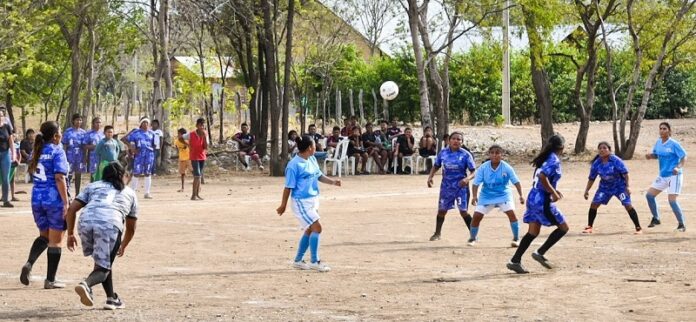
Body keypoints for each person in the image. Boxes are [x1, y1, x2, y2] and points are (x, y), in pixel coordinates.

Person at [66, 161, 137, 310]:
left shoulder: (93, 185)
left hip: (85, 222)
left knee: (104, 262)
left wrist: (70, 234)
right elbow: (131, 227)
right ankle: (86, 284)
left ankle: (111, 298)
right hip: (109, 224)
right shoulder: (129, 192)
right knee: (103, 268)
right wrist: (123, 244)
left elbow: (71, 209)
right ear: (122, 175)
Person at [276, 135, 341, 272]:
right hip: (301, 202)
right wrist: (283, 205)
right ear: (310, 148)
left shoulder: (311, 159)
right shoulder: (294, 165)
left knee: (310, 229)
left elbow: (319, 176)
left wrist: (333, 182)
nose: (316, 147)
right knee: (317, 228)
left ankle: (298, 260)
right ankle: (315, 261)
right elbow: (288, 187)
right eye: (314, 145)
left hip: (313, 200)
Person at [507, 134, 568, 274]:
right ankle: (540, 252)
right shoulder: (554, 160)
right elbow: (542, 177)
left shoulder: (545, 157)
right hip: (542, 200)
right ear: (562, 147)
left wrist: (553, 189)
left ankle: (515, 261)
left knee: (533, 232)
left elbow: (541, 178)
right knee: (563, 228)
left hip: (533, 196)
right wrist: (553, 192)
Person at [20, 121, 70, 288]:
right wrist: (66, 202)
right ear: (55, 136)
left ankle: (29, 264)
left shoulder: (37, 150)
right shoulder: (57, 151)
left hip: (37, 198)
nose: (61, 135)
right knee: (56, 241)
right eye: (60, 132)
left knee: (45, 236)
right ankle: (50, 280)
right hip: (53, 198)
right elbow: (59, 177)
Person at [469, 145, 525, 247]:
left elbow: (516, 181)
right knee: (477, 216)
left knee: (511, 213)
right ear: (489, 154)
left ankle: (516, 238)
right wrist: (474, 196)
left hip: (503, 194)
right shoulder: (483, 167)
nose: (495, 155)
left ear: (502, 155)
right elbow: (476, 183)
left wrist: (521, 195)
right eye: (492, 153)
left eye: (497, 153)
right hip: (487, 195)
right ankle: (472, 238)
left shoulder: (507, 167)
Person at [582, 142, 642, 234]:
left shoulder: (616, 160)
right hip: (604, 187)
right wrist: (586, 190)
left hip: (619, 187)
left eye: (604, 148)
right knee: (594, 204)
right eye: (600, 148)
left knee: (627, 205)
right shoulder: (597, 163)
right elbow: (591, 178)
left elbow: (625, 174)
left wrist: (628, 187)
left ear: (609, 150)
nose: (602, 150)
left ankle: (638, 228)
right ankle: (589, 226)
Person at [426, 132, 475, 241]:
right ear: (449, 140)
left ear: (462, 142)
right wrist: (430, 177)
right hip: (446, 187)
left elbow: (473, 172)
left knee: (463, 211)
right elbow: (436, 165)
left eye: (459, 139)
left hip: (461, 187)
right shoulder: (443, 153)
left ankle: (473, 234)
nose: (456, 141)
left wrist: (467, 179)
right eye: (453, 138)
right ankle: (437, 233)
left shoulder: (466, 155)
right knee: (442, 210)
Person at [645, 122, 688, 231]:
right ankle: (656, 218)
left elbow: (684, 157)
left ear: (669, 131)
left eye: (664, 128)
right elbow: (657, 155)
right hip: (663, 175)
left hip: (674, 175)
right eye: (660, 128)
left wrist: (678, 167)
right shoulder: (658, 143)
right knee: (649, 195)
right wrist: (651, 156)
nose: (662, 130)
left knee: (672, 200)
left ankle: (681, 224)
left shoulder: (674, 144)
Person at [125, 117, 155, 199]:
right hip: (139, 155)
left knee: (148, 173)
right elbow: (126, 140)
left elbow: (154, 144)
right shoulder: (136, 133)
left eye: (147, 123)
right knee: (136, 173)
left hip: (149, 155)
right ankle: (132, 193)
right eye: (143, 123)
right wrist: (132, 149)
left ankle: (147, 193)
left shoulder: (152, 133)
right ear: (141, 124)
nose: (145, 124)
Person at [184, 118, 208, 200]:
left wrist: (204, 138)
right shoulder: (191, 134)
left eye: (203, 125)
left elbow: (206, 147)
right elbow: (181, 138)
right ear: (197, 125)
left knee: (199, 175)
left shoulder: (205, 134)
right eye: (200, 125)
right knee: (197, 175)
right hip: (194, 157)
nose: (202, 126)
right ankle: (193, 195)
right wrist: (187, 144)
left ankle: (197, 194)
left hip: (202, 156)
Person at [62, 113, 86, 195]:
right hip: (70, 156)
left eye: (80, 120)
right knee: (69, 174)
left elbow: (85, 146)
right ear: (73, 121)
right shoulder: (68, 132)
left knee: (78, 175)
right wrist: (64, 156)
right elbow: (64, 144)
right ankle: (66, 192)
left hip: (80, 156)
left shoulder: (84, 133)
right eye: (77, 120)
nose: (78, 122)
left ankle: (77, 193)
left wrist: (85, 158)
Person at [0, 110, 15, 207]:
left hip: (5, 154)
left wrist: (14, 154)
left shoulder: (7, 127)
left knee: (6, 178)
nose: (0, 117)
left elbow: (11, 141)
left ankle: (5, 200)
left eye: (1, 115)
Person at [83, 117, 104, 182]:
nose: (98, 124)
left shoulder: (103, 134)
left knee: (102, 174)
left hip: (103, 157)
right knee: (93, 175)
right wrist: (95, 147)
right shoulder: (89, 133)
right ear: (93, 123)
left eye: (99, 122)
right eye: (97, 122)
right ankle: (92, 190)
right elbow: (84, 146)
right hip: (93, 158)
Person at [175, 128, 191, 193]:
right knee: (182, 174)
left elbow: (189, 146)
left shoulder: (187, 140)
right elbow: (176, 147)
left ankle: (198, 186)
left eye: (179, 134)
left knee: (194, 172)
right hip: (182, 158)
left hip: (189, 158)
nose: (178, 135)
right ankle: (182, 187)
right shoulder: (177, 141)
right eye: (178, 134)